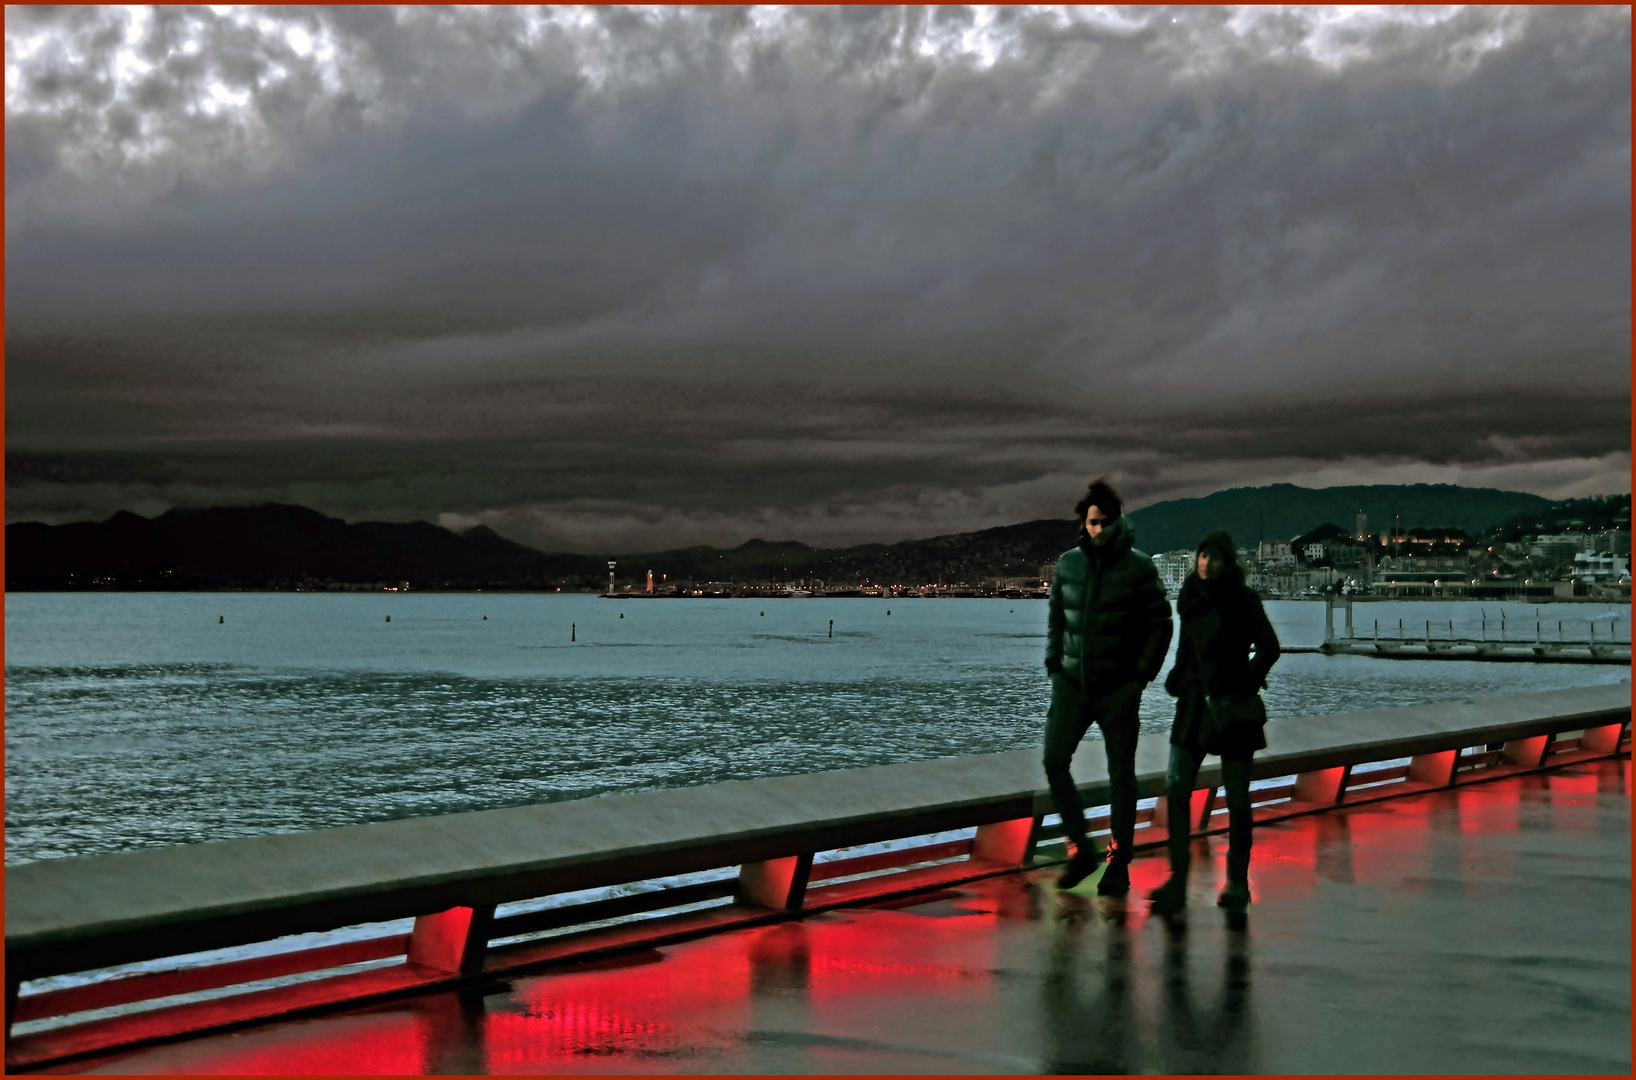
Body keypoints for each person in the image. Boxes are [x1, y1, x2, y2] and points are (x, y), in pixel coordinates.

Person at [1045, 477, 1173, 894]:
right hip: (1072, 687)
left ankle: (1119, 863)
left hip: (1119, 688)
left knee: (1122, 776)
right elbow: (1057, 621)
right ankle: (1082, 850)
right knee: (1053, 761)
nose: (1093, 529)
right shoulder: (1067, 565)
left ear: (1116, 522)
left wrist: (1140, 677)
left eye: (1100, 522)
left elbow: (1161, 624)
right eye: (1089, 523)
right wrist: (1055, 665)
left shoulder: (1138, 567)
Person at [1148, 530, 1280, 917]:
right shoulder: (1189, 598)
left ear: (1226, 561)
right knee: (1176, 790)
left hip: (1231, 707)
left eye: (1213, 556)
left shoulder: (1243, 600)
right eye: (1201, 555)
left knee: (1237, 798)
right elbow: (1188, 649)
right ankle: (1178, 880)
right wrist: (1177, 676)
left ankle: (1237, 882)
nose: (1205, 562)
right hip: (1192, 704)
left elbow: (1269, 647)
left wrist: (1244, 680)